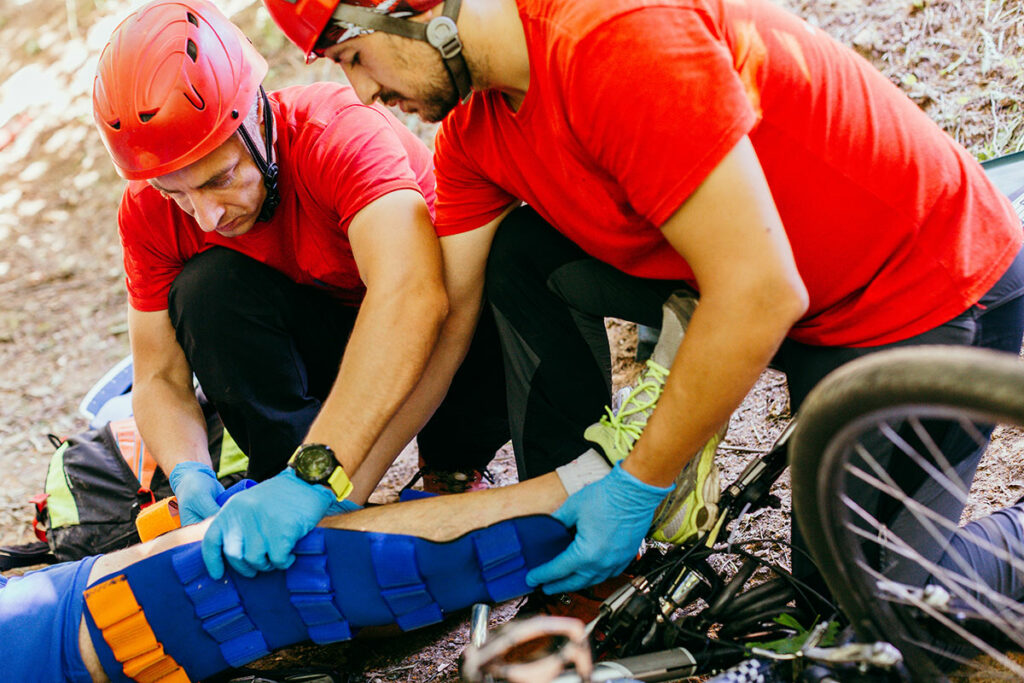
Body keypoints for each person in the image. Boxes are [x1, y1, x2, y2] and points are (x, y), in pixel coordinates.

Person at [259, 0, 1024, 596]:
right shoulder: (474, 137)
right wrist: (327, 483)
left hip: (922, 289)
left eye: (354, 57)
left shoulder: (610, 39)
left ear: (413, 9)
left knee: (870, 609)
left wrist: (639, 483)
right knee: (517, 254)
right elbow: (444, 319)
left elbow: (761, 291)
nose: (362, 92)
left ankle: (650, 441)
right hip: (772, 289)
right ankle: (569, 519)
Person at [91, 0, 509, 578]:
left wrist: (333, 482)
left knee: (498, 270)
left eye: (220, 179)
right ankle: (284, 481)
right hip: (334, 347)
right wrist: (189, 471)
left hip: (444, 337)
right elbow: (158, 375)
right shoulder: (149, 209)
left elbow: (417, 301)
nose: (206, 216)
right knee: (206, 289)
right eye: (178, 195)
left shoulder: (338, 134)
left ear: (256, 119)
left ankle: (450, 468)